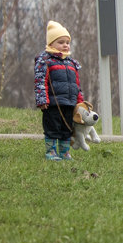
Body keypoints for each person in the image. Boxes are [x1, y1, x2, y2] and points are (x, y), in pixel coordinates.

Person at [34, 20, 85, 161]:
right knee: (52, 127)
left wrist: (80, 102)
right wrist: (42, 99)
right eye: (61, 42)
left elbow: (76, 84)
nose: (65, 45)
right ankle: (51, 151)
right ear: (51, 44)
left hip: (69, 102)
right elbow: (40, 81)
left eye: (67, 42)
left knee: (67, 128)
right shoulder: (45, 61)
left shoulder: (71, 63)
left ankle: (64, 152)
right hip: (53, 103)